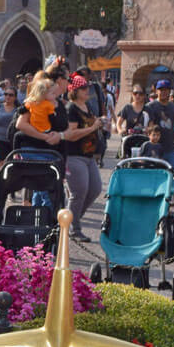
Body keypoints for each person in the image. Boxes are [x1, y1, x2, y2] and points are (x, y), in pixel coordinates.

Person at [63, 75, 106, 240]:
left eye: (87, 87)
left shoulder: (87, 105)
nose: (87, 90)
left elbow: (92, 124)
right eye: (83, 88)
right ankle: (74, 229)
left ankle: (71, 219)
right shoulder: (71, 109)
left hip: (89, 155)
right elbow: (71, 135)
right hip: (74, 155)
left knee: (95, 189)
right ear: (74, 90)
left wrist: (100, 123)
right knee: (78, 192)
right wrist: (93, 127)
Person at [144, 78, 174, 171]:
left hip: (170, 148)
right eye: (161, 90)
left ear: (170, 91)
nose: (163, 92)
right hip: (154, 148)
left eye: (166, 90)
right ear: (156, 91)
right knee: (155, 174)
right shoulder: (150, 106)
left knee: (172, 173)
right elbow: (147, 126)